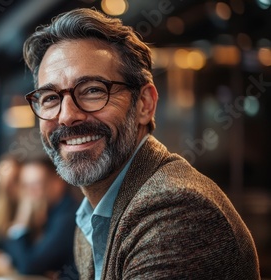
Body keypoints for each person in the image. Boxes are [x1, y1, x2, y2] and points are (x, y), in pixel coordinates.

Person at [22, 8, 260, 280]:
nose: (66, 116)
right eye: (50, 98)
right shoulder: (90, 217)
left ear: (145, 104)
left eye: (92, 90)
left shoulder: (175, 210)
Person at [4, 156, 79, 277]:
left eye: (37, 184)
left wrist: (21, 219)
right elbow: (14, 257)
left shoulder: (68, 217)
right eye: (25, 186)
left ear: (57, 183)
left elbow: (29, 266)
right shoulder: (48, 212)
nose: (30, 193)